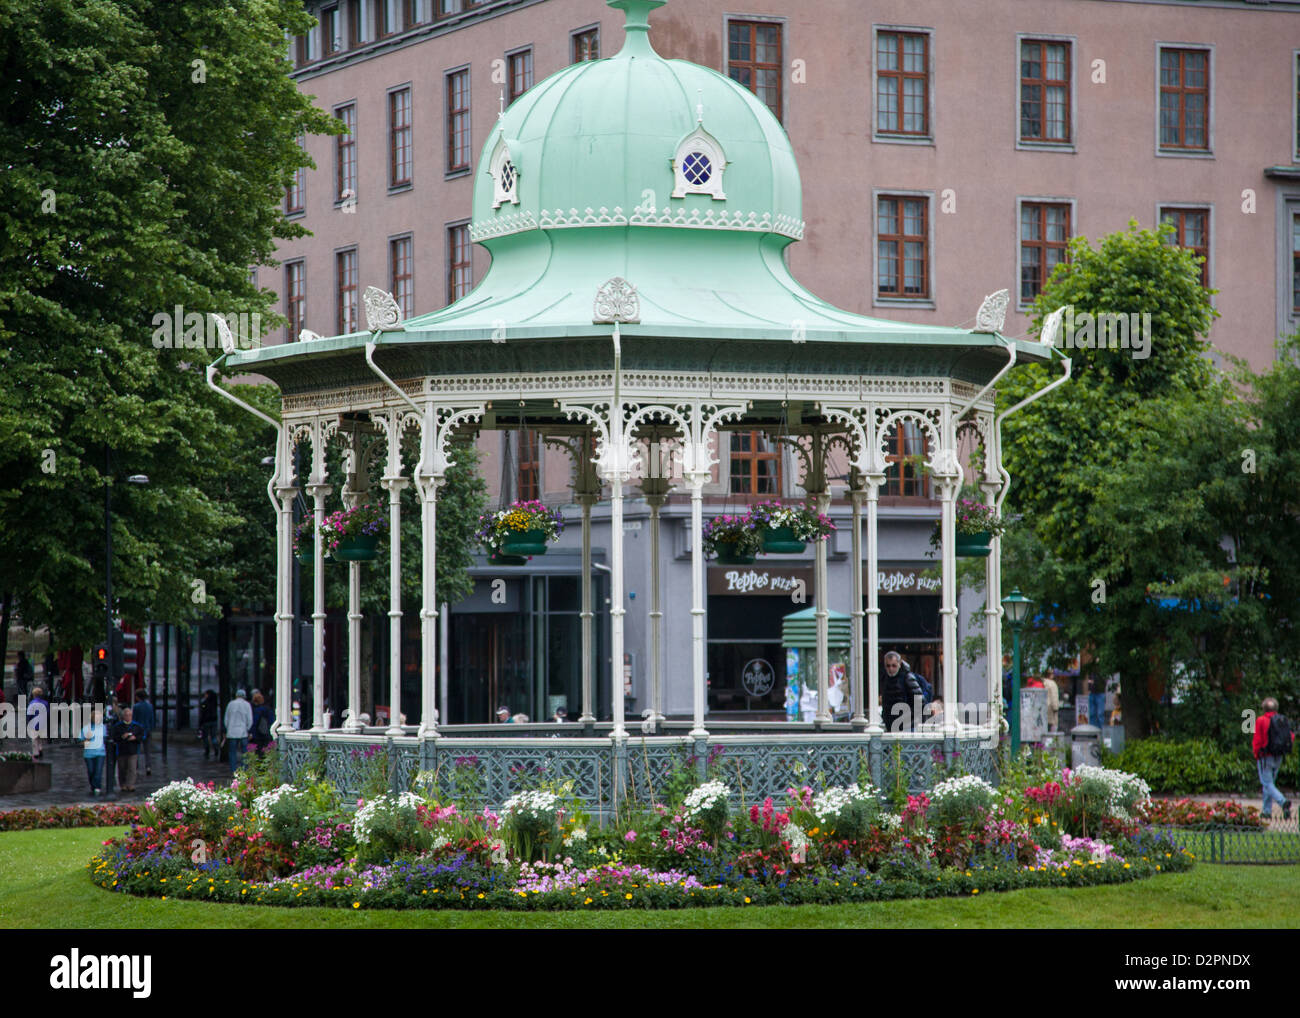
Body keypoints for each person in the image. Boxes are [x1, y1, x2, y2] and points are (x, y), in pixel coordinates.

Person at [1252, 697, 1293, 821]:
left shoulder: (1261, 720)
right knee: (1270, 784)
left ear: (1264, 708)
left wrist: (1256, 753)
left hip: (1265, 756)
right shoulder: (1282, 720)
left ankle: (1283, 801)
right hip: (1278, 755)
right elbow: (1290, 736)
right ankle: (1266, 811)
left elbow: (1258, 739)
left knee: (1267, 783)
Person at [882, 651, 924, 732]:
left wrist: (908, 718)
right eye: (888, 666)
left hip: (907, 726)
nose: (891, 669)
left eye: (894, 665)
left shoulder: (907, 678)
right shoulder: (885, 678)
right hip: (891, 725)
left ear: (899, 664)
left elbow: (919, 700)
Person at [109, 706, 145, 793]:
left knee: (132, 768)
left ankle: (130, 784)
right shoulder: (118, 726)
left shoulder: (137, 726)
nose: (128, 717)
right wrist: (122, 736)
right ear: (123, 716)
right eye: (126, 715)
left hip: (133, 750)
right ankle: (123, 784)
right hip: (122, 750)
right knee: (122, 768)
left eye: (130, 715)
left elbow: (142, 736)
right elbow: (114, 737)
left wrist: (135, 738)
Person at [223, 688, 253, 774]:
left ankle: (233, 771)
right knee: (245, 753)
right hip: (243, 732)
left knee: (232, 752)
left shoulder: (230, 704)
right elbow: (250, 719)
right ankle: (244, 770)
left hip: (231, 732)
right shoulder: (247, 705)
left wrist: (227, 728)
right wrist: (248, 729)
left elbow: (226, 719)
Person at [81, 705, 107, 797]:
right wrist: (87, 739)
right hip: (89, 754)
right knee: (91, 771)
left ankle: (97, 787)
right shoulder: (86, 728)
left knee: (98, 771)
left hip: (100, 753)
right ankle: (93, 785)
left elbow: (105, 739)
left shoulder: (103, 727)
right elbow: (82, 742)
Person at [132, 689, 155, 777]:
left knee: (137, 749)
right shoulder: (150, 706)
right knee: (147, 750)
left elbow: (134, 719)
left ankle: (136, 767)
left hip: (138, 730)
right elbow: (152, 719)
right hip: (147, 729)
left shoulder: (136, 706)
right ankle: (148, 767)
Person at [25, 686, 48, 759]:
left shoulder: (32, 703)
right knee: (40, 738)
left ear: (34, 695)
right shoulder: (45, 703)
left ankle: (36, 753)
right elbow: (48, 714)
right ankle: (40, 748)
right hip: (42, 723)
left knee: (34, 739)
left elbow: (29, 715)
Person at [199, 689, 220, 759]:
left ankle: (207, 749)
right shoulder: (214, 702)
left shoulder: (204, 703)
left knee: (205, 737)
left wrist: (200, 723)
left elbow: (202, 713)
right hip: (213, 721)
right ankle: (216, 748)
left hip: (206, 722)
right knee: (213, 736)